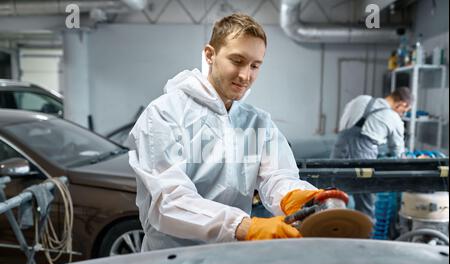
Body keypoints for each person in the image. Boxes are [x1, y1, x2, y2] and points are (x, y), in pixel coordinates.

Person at [127, 13, 333, 251]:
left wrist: (295, 196)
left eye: (255, 66)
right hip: (172, 260)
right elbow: (169, 201)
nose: (245, 75)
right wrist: (244, 227)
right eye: (237, 61)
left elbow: (277, 177)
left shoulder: (257, 122)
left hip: (230, 255)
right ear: (210, 55)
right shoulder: (164, 114)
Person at [331, 87, 412, 217]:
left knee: (333, 190)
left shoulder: (360, 99)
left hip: (340, 144)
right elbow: (397, 151)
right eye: (404, 111)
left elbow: (344, 122)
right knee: (365, 196)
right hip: (363, 151)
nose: (402, 114)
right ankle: (365, 234)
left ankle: (330, 225)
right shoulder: (393, 117)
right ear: (402, 104)